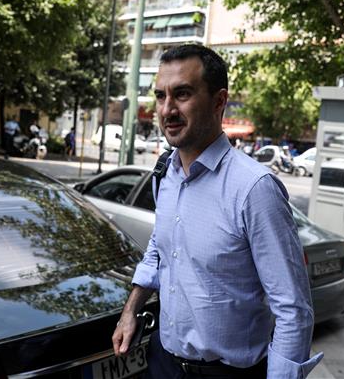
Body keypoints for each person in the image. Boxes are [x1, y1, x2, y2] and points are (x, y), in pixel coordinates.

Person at [111, 44, 322, 379]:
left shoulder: (254, 189)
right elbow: (159, 248)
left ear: (219, 101)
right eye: (161, 96)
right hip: (163, 363)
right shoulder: (165, 173)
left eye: (182, 94)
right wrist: (130, 310)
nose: (167, 109)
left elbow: (293, 310)